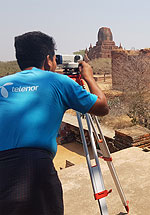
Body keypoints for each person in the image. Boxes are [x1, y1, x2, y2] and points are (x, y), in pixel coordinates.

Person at [0, 31, 109, 215]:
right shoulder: (58, 81)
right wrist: (89, 77)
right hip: (35, 169)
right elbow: (102, 107)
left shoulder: (2, 83)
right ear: (49, 60)